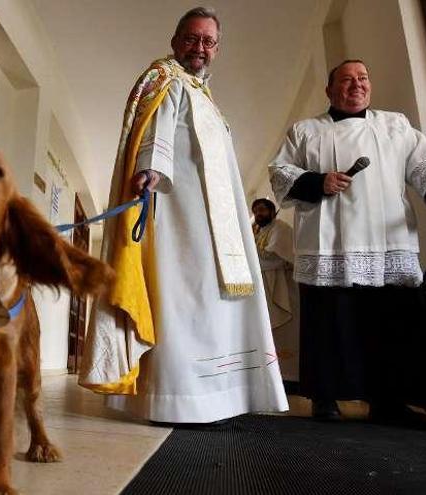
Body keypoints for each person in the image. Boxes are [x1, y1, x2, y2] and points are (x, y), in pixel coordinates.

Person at [79, 7, 288, 424]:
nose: (200, 48)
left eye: (208, 42)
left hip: (218, 223)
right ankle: (178, 395)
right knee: (184, 296)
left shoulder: (206, 97)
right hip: (179, 215)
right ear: (175, 42)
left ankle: (221, 395)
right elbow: (156, 131)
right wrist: (149, 170)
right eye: (192, 39)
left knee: (214, 301)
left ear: (217, 49)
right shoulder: (165, 78)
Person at [269, 59, 426, 422]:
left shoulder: (395, 125)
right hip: (330, 242)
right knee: (330, 322)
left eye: (363, 78)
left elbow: (423, 164)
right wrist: (317, 181)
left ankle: (390, 401)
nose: (356, 85)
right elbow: (280, 173)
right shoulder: (305, 130)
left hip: (386, 239)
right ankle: (326, 397)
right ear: (329, 90)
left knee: (390, 320)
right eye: (346, 80)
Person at [251, 198, 300, 384]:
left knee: (287, 332)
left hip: (283, 290)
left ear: (272, 211)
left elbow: (278, 259)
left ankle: (290, 376)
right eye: (256, 211)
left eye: (262, 210)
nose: (258, 214)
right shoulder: (259, 230)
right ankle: (273, 374)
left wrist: (252, 263)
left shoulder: (280, 228)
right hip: (266, 288)